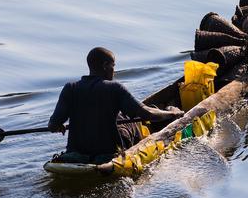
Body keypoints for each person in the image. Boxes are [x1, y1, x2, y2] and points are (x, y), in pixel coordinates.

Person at [48, 47, 184, 164]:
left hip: (75, 153)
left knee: (122, 116)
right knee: (142, 118)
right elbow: (147, 114)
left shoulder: (70, 88)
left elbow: (53, 125)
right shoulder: (114, 88)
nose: (114, 71)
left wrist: (59, 126)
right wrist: (173, 113)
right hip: (107, 155)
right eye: (113, 66)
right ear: (105, 65)